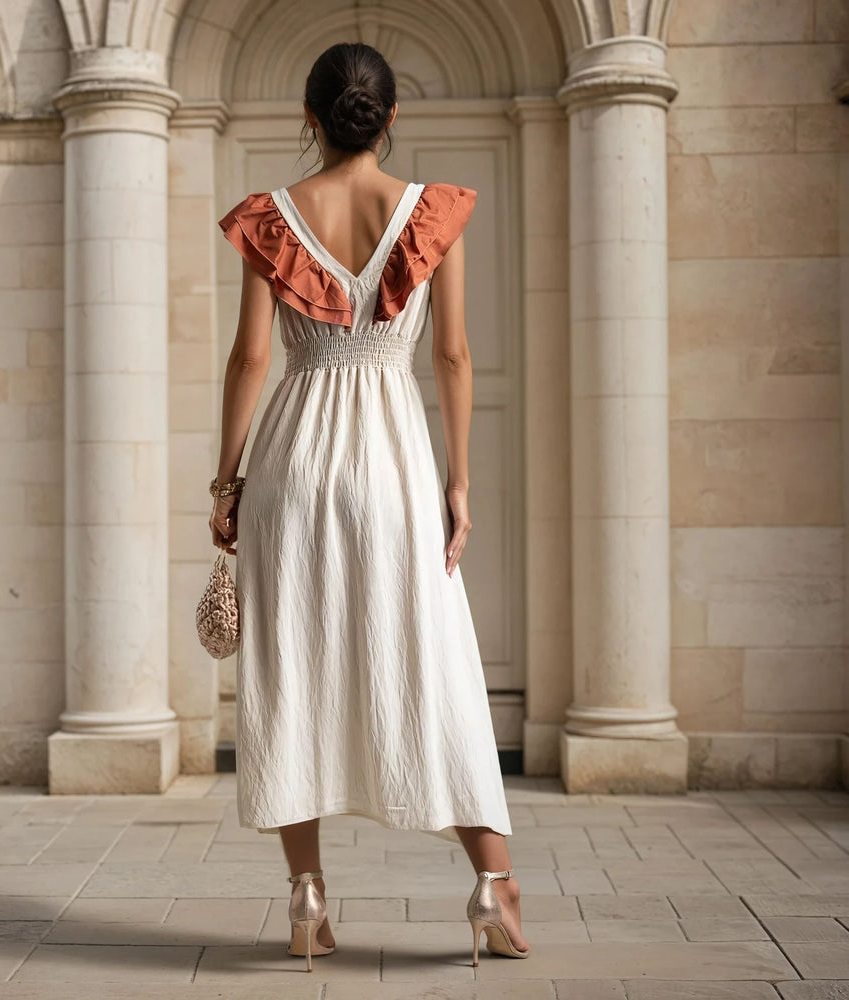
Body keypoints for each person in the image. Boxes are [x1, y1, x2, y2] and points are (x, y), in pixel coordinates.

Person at [208, 41, 530, 971]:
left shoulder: (274, 218)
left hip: (292, 464)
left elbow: (251, 360)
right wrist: (458, 482)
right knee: (435, 667)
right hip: (391, 466)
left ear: (309, 119)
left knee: (292, 672)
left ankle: (306, 896)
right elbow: (455, 357)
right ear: (389, 118)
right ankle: (490, 885)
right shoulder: (433, 215)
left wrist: (225, 485)